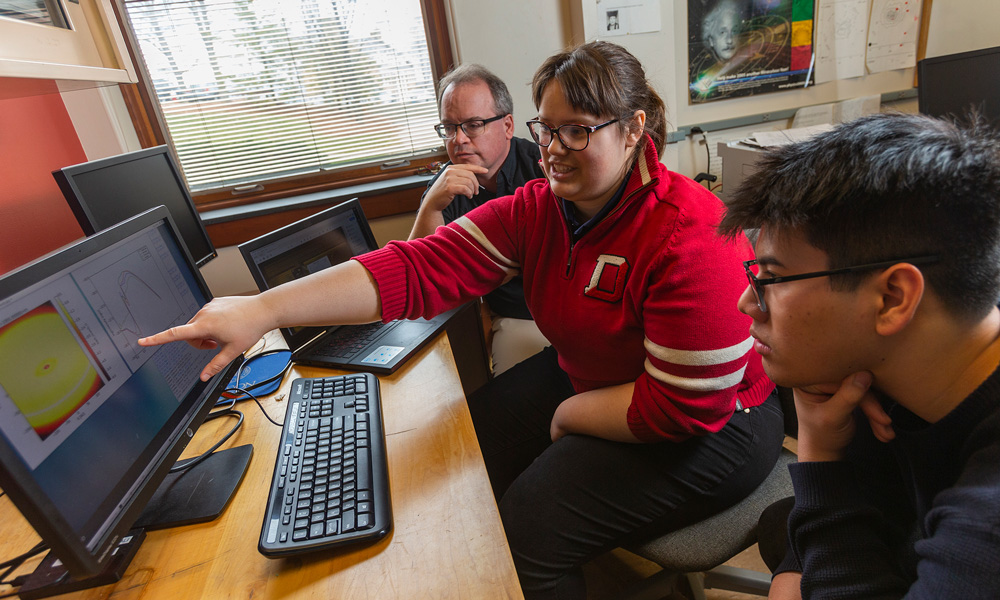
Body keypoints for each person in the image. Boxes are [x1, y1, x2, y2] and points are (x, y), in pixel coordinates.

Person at [139, 41, 783, 600]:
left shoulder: (688, 233)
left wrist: (568, 418)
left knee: (532, 524)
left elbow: (680, 409)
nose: (554, 150)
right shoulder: (538, 210)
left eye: (578, 130)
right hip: (607, 380)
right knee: (469, 448)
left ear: (635, 128)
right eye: (547, 129)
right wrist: (262, 309)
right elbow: (414, 268)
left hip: (715, 423)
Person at [718, 112, 1000, 599]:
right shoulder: (905, 363)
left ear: (892, 298)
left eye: (771, 277)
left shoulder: (987, 526)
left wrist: (820, 453)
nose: (746, 302)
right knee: (782, 525)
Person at [412, 63, 548, 374]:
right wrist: (431, 208)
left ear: (508, 126)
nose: (458, 139)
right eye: (449, 127)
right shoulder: (442, 191)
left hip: (572, 310)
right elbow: (419, 281)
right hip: (516, 318)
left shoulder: (544, 165)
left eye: (473, 125)